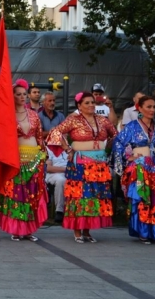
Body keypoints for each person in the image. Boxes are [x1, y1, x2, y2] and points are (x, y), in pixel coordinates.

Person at [46, 92, 117, 243]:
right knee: (80, 196)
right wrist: (68, 149)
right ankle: (77, 230)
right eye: (87, 103)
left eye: (92, 102)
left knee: (94, 196)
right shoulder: (73, 120)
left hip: (99, 165)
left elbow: (115, 134)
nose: (91, 105)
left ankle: (87, 230)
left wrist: (107, 150)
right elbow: (56, 132)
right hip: (80, 164)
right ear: (79, 106)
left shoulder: (102, 121)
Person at [112, 95, 155, 245]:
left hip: (154, 167)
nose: (152, 110)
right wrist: (128, 158)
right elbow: (118, 143)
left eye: (154, 107)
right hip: (138, 166)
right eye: (148, 107)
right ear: (139, 108)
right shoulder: (132, 126)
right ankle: (143, 232)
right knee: (142, 199)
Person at [0, 79, 47, 241]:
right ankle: (16, 228)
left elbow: (39, 137)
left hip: (34, 159)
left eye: (24, 94)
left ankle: (28, 229)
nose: (22, 97)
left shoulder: (33, 115)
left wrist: (42, 156)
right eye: (18, 94)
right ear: (11, 96)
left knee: (32, 194)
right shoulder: (7, 115)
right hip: (16, 159)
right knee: (17, 194)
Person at [45, 147, 68, 223]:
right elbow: (48, 168)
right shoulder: (49, 149)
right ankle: (59, 211)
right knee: (61, 180)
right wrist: (66, 169)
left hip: (69, 173)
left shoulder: (70, 149)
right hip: (54, 174)